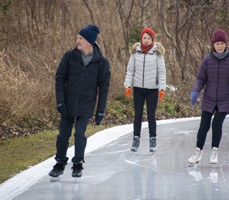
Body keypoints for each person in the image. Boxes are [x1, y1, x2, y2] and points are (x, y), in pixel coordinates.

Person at [49, 24, 111, 178]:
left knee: (80, 134)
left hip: (86, 104)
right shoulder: (69, 56)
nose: (77, 41)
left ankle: (77, 163)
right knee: (63, 135)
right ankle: (60, 162)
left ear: (89, 41)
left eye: (80, 38)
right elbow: (59, 79)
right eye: (77, 37)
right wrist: (60, 101)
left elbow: (104, 88)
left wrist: (100, 110)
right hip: (68, 103)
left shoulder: (101, 63)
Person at [188, 28, 229, 164]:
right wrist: (195, 91)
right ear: (213, 45)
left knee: (216, 124)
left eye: (222, 43)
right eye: (217, 44)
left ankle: (214, 151)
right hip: (209, 98)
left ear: (226, 44)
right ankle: (198, 152)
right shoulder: (207, 60)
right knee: (204, 126)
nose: (220, 46)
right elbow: (201, 78)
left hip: (226, 99)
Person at [124, 27, 166, 153]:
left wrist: (162, 88)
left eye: (149, 38)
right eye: (144, 38)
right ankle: (136, 138)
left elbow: (162, 72)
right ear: (141, 39)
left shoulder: (157, 54)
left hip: (152, 89)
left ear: (152, 39)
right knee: (137, 115)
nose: (146, 40)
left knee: (151, 115)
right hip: (138, 89)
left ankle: (153, 139)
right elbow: (130, 70)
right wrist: (127, 85)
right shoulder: (135, 53)